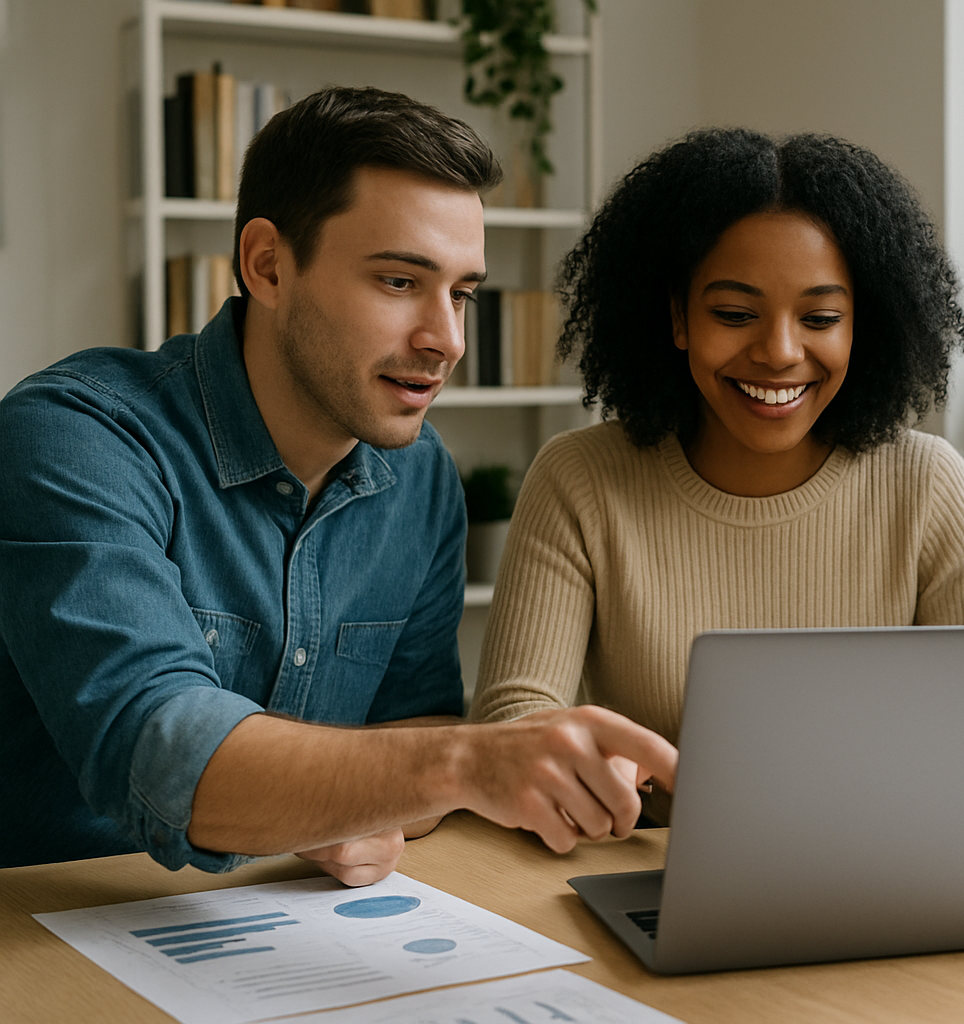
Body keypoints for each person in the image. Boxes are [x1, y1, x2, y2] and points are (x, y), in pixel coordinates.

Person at [0, 86, 676, 884]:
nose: (446, 340)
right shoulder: (76, 437)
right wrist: (463, 763)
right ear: (269, 265)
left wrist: (370, 808)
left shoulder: (419, 476)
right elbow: (160, 743)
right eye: (398, 282)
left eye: (462, 293)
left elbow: (411, 722)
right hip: (47, 931)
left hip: (281, 929)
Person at [472, 128, 964, 817]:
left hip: (880, 867)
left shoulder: (929, 485)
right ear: (677, 317)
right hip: (646, 867)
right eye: (734, 313)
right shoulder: (581, 478)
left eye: (820, 317)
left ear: (861, 326)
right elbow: (512, 725)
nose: (780, 352)